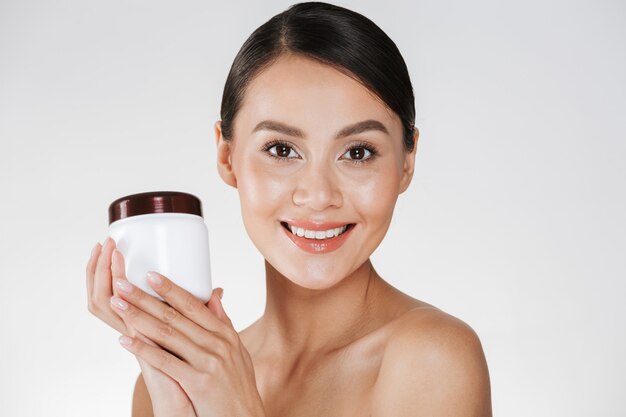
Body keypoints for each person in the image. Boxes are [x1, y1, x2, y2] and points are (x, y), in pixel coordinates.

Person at [86, 2, 492, 416]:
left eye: (357, 151)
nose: (318, 195)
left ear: (406, 162)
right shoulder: (179, 380)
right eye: (282, 150)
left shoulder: (432, 359)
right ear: (228, 157)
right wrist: (172, 391)